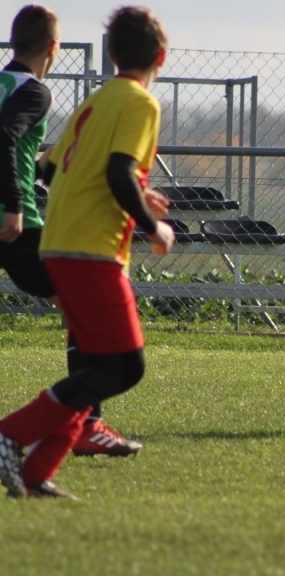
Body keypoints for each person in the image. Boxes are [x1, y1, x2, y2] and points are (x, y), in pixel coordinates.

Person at [0, 5, 174, 499]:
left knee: (99, 366)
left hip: (57, 243)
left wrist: (138, 194)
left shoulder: (94, 102)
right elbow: (119, 172)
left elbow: (52, 171)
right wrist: (152, 225)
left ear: (113, 53)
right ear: (160, 56)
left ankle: (37, 473)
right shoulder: (141, 104)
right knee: (126, 365)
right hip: (90, 251)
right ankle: (10, 433)